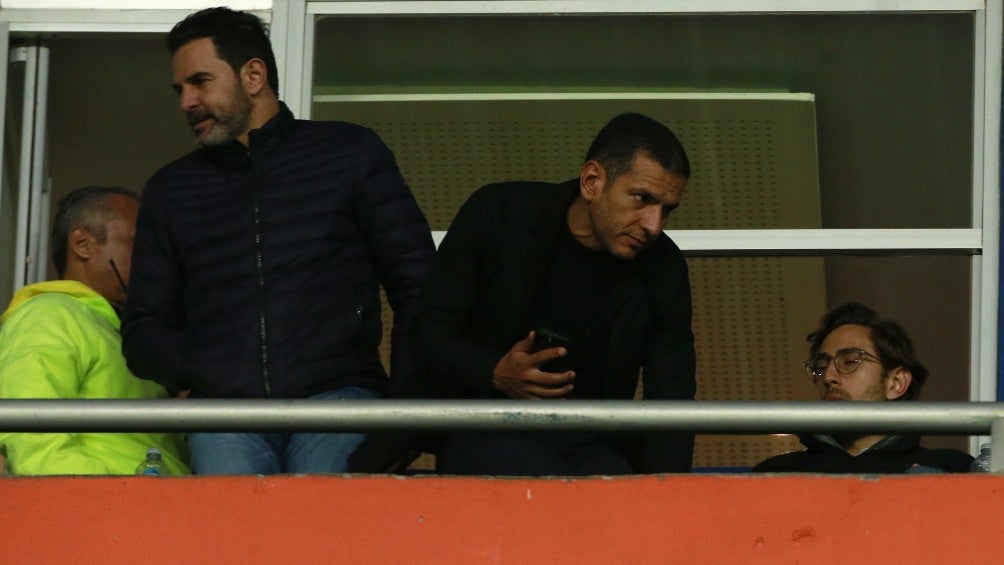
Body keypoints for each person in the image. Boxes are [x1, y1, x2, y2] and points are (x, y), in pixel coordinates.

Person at [121, 7, 435, 475]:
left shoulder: (349, 152)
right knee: (236, 545)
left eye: (200, 82)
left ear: (253, 75)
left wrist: (403, 411)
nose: (186, 101)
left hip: (339, 396)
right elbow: (144, 329)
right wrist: (206, 369)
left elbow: (418, 285)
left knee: (321, 538)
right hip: (225, 412)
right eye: (180, 89)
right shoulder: (171, 189)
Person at [406, 112, 697, 476]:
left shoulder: (663, 266)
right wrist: (495, 372)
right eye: (641, 199)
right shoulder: (499, 214)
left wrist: (665, 496)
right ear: (592, 181)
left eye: (667, 209)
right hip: (487, 423)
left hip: (593, 443)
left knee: (618, 506)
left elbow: (672, 396)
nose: (654, 225)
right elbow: (428, 333)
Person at [0, 186, 189, 475]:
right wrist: (91, 504)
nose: (153, 260)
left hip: (159, 507)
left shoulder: (128, 337)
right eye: (138, 244)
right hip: (104, 511)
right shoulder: (50, 314)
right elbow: (32, 435)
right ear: (82, 243)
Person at [753, 302, 973, 473]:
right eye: (820, 367)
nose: (829, 377)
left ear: (896, 383)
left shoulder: (950, 469)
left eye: (850, 361)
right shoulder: (778, 473)